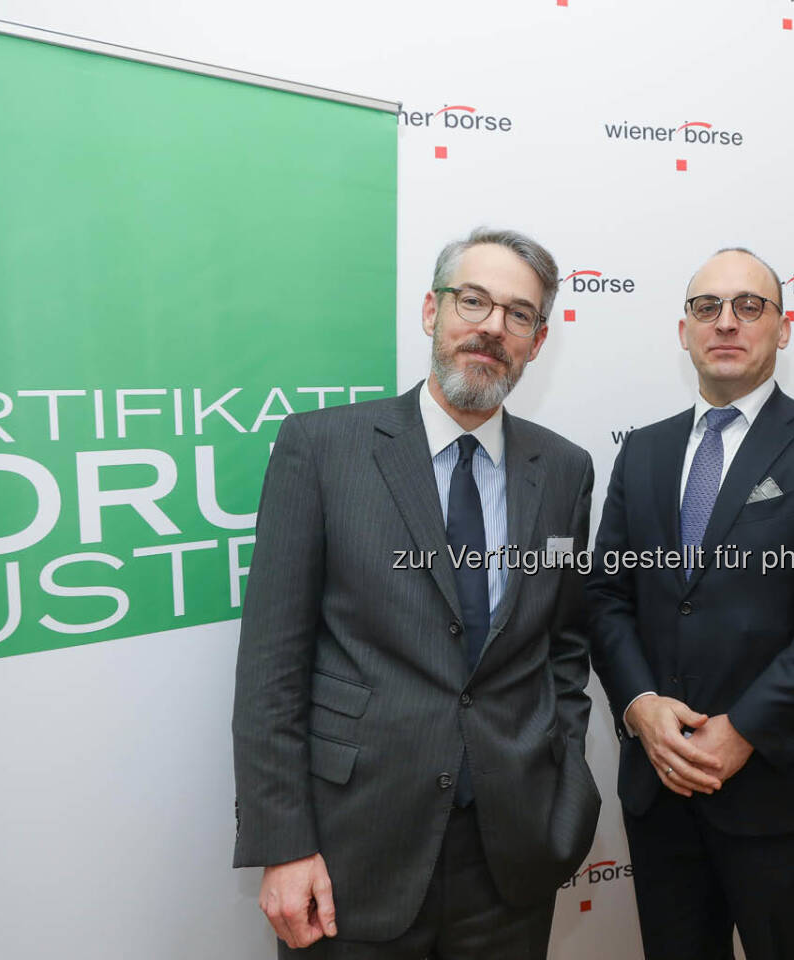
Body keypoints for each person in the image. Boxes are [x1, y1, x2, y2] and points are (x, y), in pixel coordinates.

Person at [232, 227, 600, 958]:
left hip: (511, 855)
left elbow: (563, 642)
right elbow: (273, 663)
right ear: (432, 312)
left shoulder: (563, 471)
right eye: (473, 301)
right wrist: (284, 842)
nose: (491, 327)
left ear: (537, 339)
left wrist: (563, 774)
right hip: (350, 851)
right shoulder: (323, 448)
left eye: (517, 315)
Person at [586, 247, 794, 960]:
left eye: (749, 306)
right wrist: (638, 706)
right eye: (707, 307)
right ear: (683, 329)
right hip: (661, 788)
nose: (727, 322)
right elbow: (606, 594)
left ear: (782, 329)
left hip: (781, 786)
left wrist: (745, 727)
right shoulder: (646, 451)